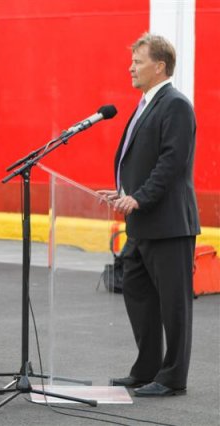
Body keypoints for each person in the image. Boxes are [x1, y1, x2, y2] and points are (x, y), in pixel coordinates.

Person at [99, 33, 199, 397]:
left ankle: (173, 378)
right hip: (142, 223)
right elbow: (140, 161)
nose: (131, 67)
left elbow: (172, 162)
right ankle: (146, 369)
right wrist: (124, 193)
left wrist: (139, 198)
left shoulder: (175, 105)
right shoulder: (145, 104)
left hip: (169, 224)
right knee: (137, 292)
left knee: (174, 305)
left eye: (138, 61)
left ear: (159, 66)